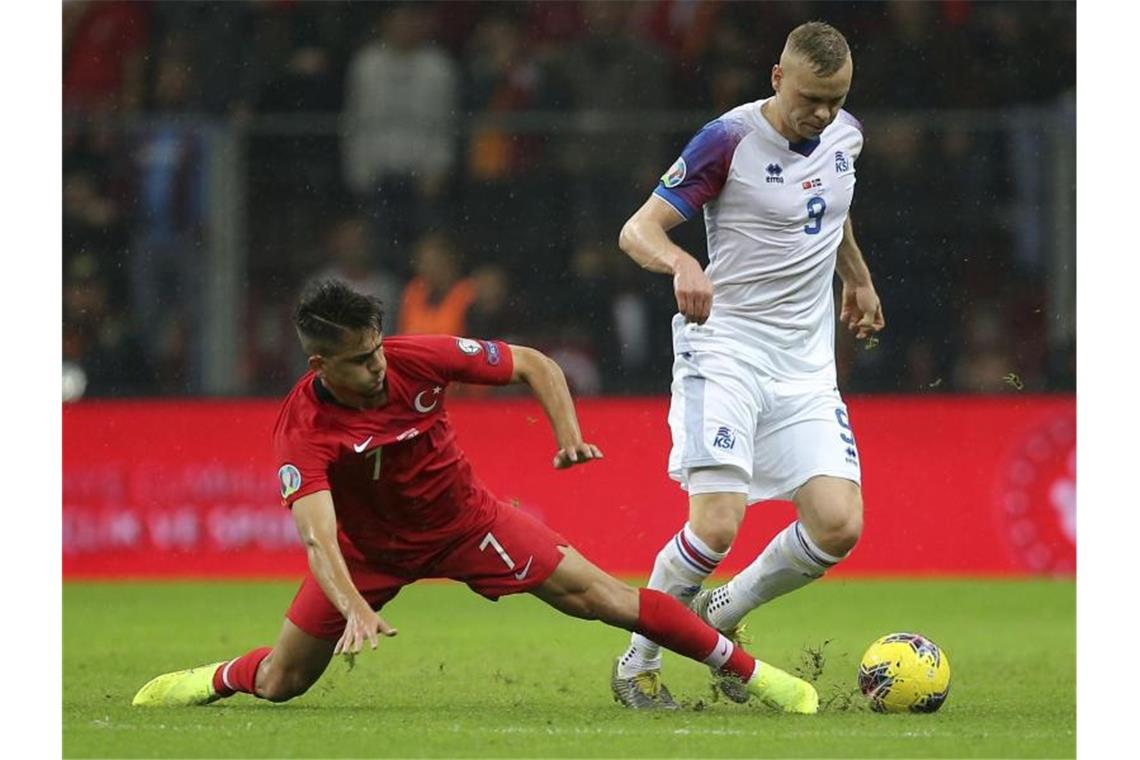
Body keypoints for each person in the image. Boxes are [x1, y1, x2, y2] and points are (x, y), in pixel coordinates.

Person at [132, 279, 818, 714]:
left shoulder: (414, 357)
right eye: (361, 360)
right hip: (366, 554)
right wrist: (352, 609)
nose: (378, 366)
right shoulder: (303, 430)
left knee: (605, 598)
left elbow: (532, 363)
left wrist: (568, 434)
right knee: (284, 682)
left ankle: (760, 679)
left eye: (377, 349)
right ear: (320, 366)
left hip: (468, 524)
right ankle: (213, 679)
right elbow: (317, 537)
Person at [610, 22, 885, 708]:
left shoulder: (846, 134)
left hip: (806, 368)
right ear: (776, 78)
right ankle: (636, 663)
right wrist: (680, 261)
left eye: (836, 98)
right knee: (717, 524)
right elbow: (636, 229)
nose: (822, 113)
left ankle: (720, 611)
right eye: (811, 98)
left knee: (838, 524)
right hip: (726, 349)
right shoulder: (726, 139)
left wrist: (857, 277)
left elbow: (832, 210)